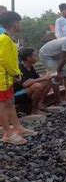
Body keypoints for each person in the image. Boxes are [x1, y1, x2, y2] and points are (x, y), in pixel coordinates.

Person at [0, 11, 37, 145]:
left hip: (6, 78)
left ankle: (18, 128)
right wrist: (16, 74)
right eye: (19, 22)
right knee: (3, 105)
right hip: (2, 79)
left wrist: (14, 74)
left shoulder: (9, 39)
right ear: (14, 23)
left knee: (9, 102)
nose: (20, 25)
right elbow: (5, 60)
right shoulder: (4, 39)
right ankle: (7, 134)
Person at [14, 48, 52, 115]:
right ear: (28, 58)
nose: (37, 57)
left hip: (26, 91)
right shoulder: (20, 67)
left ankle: (40, 104)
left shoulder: (30, 67)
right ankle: (34, 110)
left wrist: (46, 76)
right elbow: (25, 84)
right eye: (35, 55)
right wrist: (43, 78)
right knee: (37, 86)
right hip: (17, 94)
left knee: (47, 81)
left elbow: (36, 78)